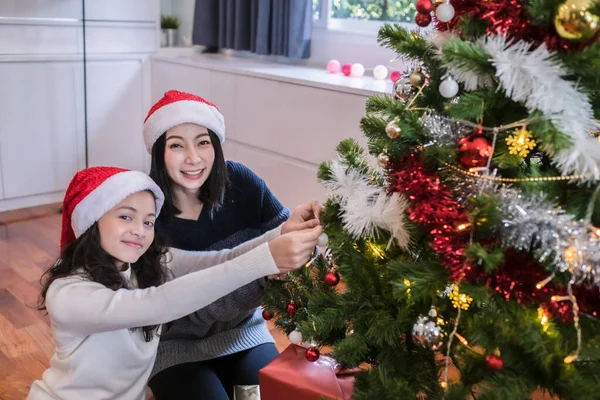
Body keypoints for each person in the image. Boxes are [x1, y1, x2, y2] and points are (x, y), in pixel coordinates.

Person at [27, 166, 322, 400]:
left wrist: (280, 233)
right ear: (93, 220)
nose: (139, 231)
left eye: (148, 221)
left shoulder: (143, 263)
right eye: (126, 217)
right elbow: (162, 303)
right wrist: (266, 259)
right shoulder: (69, 294)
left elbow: (219, 260)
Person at [143, 90, 320, 399]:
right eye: (176, 146)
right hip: (173, 346)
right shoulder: (146, 215)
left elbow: (284, 244)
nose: (193, 158)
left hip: (244, 334)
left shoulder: (241, 182)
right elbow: (176, 315)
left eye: (203, 142)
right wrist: (265, 271)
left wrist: (305, 235)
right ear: (158, 153)